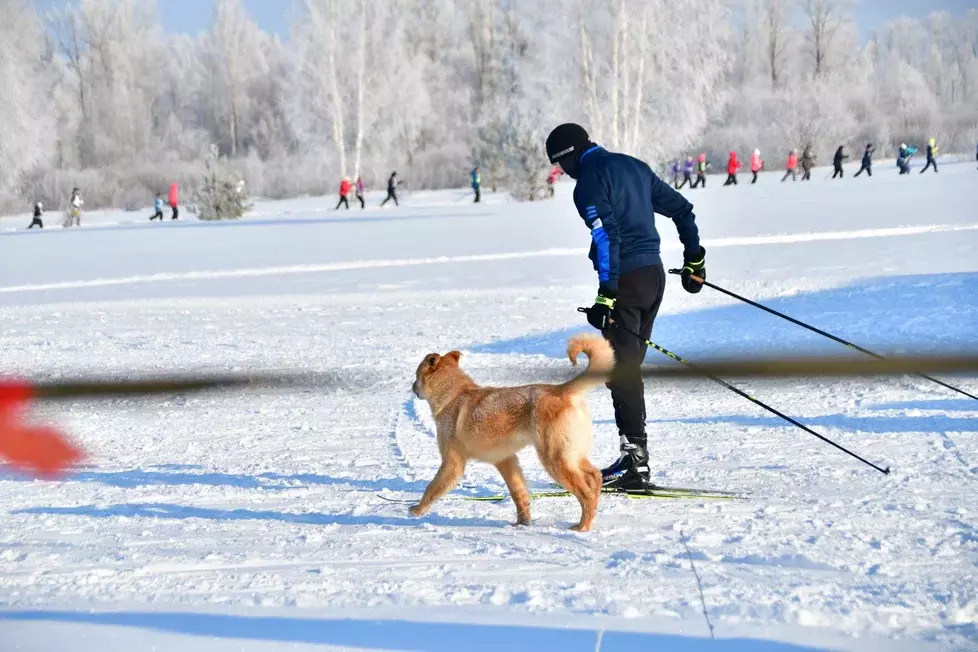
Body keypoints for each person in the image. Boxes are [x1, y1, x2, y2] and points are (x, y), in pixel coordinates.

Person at [545, 123, 704, 492]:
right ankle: (634, 459)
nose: (565, 174)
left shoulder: (588, 182)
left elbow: (606, 235)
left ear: (568, 156)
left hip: (627, 282)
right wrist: (695, 258)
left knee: (622, 371)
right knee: (627, 369)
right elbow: (683, 210)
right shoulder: (634, 166)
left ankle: (635, 464)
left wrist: (606, 292)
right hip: (653, 278)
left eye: (561, 165)